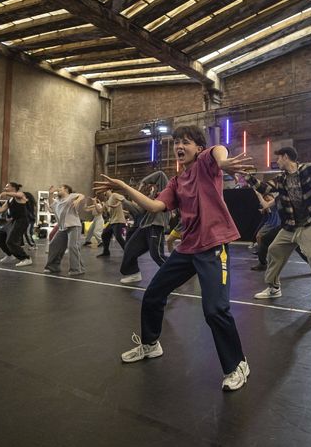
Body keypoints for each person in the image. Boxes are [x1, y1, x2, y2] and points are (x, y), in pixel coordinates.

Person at [94, 125, 253, 391]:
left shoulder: (206, 162)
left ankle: (237, 364)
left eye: (186, 142)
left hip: (213, 244)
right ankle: (150, 344)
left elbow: (218, 151)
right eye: (177, 142)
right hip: (187, 248)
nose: (180, 146)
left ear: (198, 148)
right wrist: (124, 188)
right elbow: (156, 206)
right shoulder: (176, 182)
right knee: (153, 294)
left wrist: (224, 163)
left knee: (215, 310)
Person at [249, 146, 311, 307]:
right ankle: (274, 288)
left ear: (286, 157)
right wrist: (247, 177)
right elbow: (264, 188)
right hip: (291, 226)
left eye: (279, 158)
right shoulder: (281, 179)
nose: (277, 161)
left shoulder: (310, 168)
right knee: (274, 249)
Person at [119, 171, 170, 284]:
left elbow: (160, 174)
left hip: (156, 225)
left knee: (157, 255)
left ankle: (175, 273)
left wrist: (143, 181)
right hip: (145, 226)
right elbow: (138, 211)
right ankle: (133, 273)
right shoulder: (152, 194)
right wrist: (124, 201)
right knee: (129, 248)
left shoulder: (165, 190)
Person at [43, 185, 86, 276]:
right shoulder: (58, 201)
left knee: (72, 246)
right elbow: (51, 207)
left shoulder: (71, 196)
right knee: (54, 245)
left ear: (66, 190)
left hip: (74, 226)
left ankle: (77, 269)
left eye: (60, 188)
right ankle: (53, 267)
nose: (58, 189)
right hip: (62, 228)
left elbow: (82, 195)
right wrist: (50, 194)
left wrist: (78, 200)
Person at [0, 182, 32, 267]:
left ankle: (26, 258)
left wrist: (6, 193)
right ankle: (10, 255)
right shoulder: (9, 201)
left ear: (13, 188)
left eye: (7, 187)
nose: (5, 188)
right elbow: (0, 210)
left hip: (22, 221)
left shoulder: (20, 194)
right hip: (13, 221)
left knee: (11, 241)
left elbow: (19, 196)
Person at [97, 189, 127, 257]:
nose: (105, 192)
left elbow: (122, 198)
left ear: (110, 190)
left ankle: (128, 252)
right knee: (104, 235)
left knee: (118, 237)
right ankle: (106, 252)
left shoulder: (114, 195)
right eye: (104, 191)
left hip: (119, 221)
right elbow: (99, 211)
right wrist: (94, 203)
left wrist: (117, 205)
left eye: (106, 190)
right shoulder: (107, 202)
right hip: (112, 222)